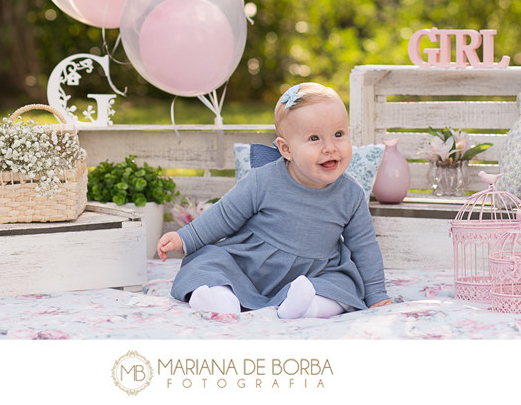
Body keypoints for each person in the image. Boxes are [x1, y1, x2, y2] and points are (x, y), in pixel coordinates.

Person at [157, 82, 392, 318]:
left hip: (314, 274)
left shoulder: (350, 194)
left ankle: (306, 307)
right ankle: (220, 297)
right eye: (314, 138)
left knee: (343, 287)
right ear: (286, 149)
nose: (330, 148)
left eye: (338, 134)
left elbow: (364, 247)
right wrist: (183, 238)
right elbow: (223, 216)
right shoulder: (263, 180)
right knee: (209, 262)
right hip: (249, 266)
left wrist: (377, 295)